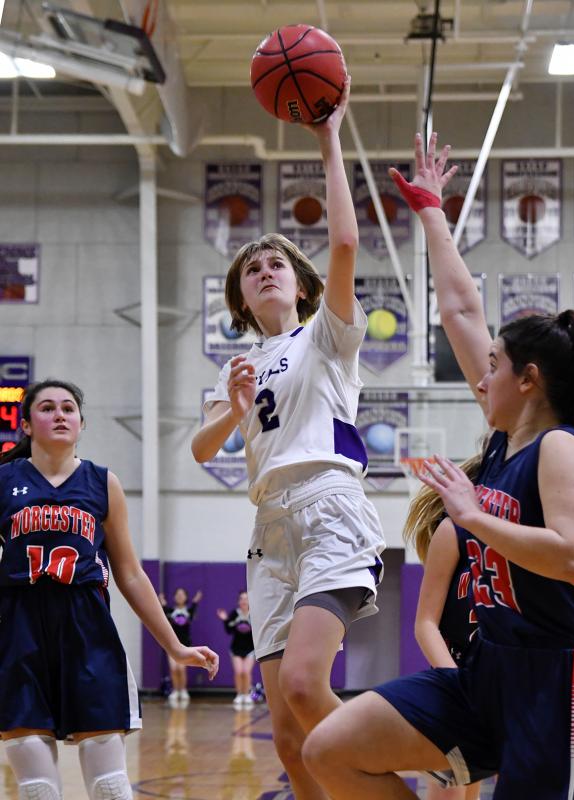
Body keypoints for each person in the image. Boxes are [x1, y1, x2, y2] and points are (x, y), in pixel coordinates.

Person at [302, 132, 574, 800]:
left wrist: (471, 518)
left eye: (493, 365)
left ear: (529, 379)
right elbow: (462, 310)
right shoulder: (503, 445)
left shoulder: (563, 448)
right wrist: (432, 211)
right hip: (485, 668)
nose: (479, 375)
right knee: (333, 749)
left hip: (559, 677)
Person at [192, 77, 385, 800]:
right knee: (285, 733)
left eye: (275, 263)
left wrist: (328, 138)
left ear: (299, 285)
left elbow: (343, 239)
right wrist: (233, 406)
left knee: (307, 686)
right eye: (251, 269)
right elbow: (202, 450)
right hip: (267, 530)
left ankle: (402, 770)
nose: (264, 270)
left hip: (328, 504)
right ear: (241, 299)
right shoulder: (235, 366)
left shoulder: (326, 337)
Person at [0, 379, 219, 800]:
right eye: (47, 408)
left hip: (88, 630)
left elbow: (131, 573)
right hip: (20, 629)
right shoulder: (5, 481)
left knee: (110, 788)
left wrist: (174, 647)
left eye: (68, 408)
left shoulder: (103, 483)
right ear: (26, 424)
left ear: (82, 423)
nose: (59, 414)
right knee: (37, 791)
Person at [403, 459, 482, 800]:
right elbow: (424, 623)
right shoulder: (452, 533)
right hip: (455, 680)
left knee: (474, 785)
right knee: (449, 788)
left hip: (496, 680)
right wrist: (455, 684)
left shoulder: (519, 539)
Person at [159, 586, 203, 706]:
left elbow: (193, 608)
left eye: (182, 594)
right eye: (177, 594)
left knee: (181, 668)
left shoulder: (188, 612)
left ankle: (183, 690)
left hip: (185, 645)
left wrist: (195, 601)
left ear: (185, 597)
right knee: (173, 668)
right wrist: (162, 603)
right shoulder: (171, 611)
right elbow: (163, 612)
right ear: (174, 597)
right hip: (172, 644)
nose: (179, 596)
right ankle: (175, 690)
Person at [217, 590, 256, 708]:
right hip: (236, 648)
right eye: (241, 599)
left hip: (250, 648)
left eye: (246, 598)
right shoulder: (234, 613)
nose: (244, 601)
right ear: (238, 601)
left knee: (246, 671)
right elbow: (229, 630)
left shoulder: (254, 614)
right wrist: (225, 620)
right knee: (239, 672)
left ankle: (247, 695)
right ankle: (239, 694)